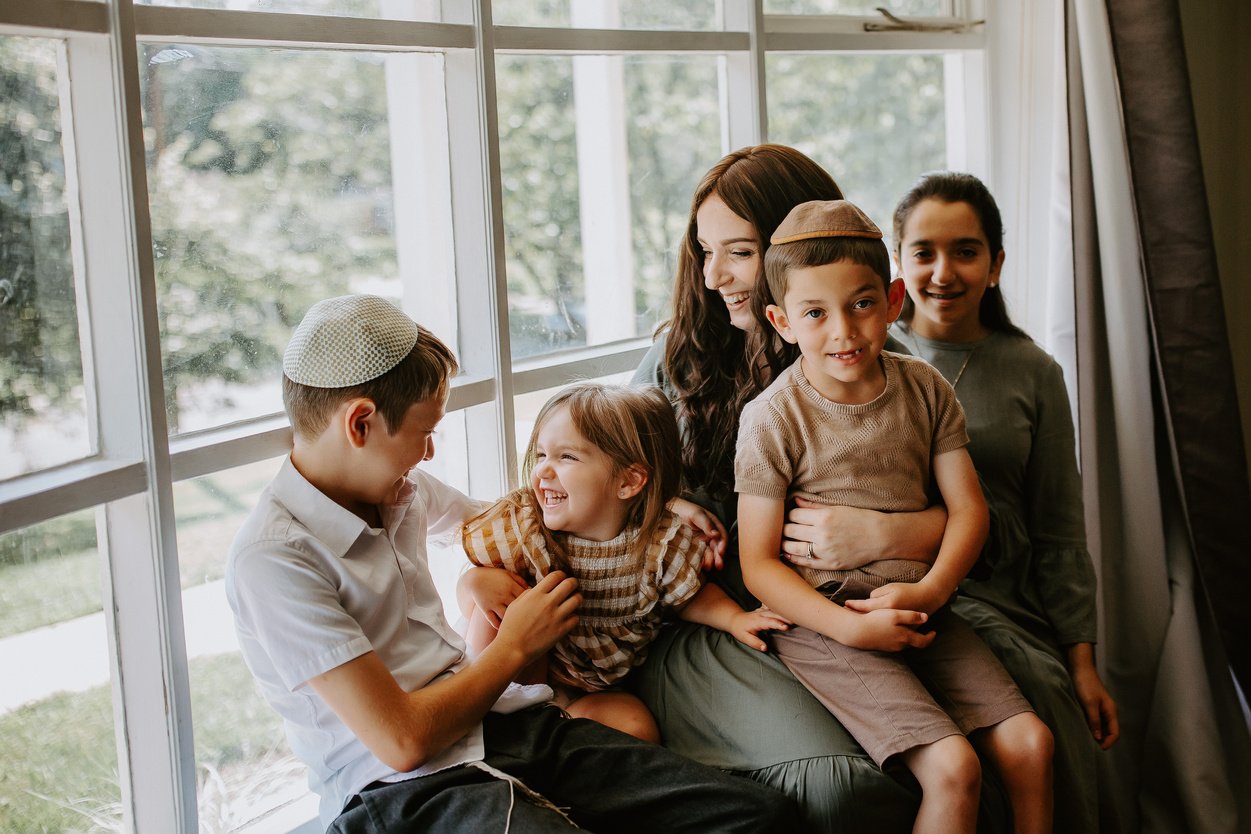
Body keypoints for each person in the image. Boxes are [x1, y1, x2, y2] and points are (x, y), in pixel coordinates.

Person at [225, 294, 802, 833]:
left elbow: (527, 522)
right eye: (425, 433)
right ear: (360, 423)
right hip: (400, 791)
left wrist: (654, 501)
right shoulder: (276, 560)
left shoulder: (401, 490)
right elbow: (400, 741)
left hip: (502, 727)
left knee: (757, 817)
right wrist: (513, 649)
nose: (429, 452)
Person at [630, 145, 1011, 833]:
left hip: (857, 594)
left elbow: (987, 518)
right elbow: (592, 474)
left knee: (1012, 727)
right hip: (728, 615)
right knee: (846, 782)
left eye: (737, 252)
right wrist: (661, 501)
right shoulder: (675, 358)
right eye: (703, 251)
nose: (714, 275)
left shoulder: (880, 363)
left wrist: (894, 531)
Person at [737, 199, 1054, 834]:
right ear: (781, 321)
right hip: (828, 625)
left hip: (922, 601)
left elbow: (970, 510)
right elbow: (759, 564)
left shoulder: (927, 390)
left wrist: (932, 590)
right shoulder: (773, 419)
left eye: (861, 304)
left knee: (1031, 745)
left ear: (893, 299)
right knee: (953, 768)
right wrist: (849, 630)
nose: (844, 332)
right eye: (815, 314)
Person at [880, 171, 1118, 833]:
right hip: (896, 589)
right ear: (898, 262)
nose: (942, 271)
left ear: (995, 264)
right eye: (922, 251)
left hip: (1002, 597)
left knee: (1047, 707)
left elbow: (1059, 532)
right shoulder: (868, 356)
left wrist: (1081, 663)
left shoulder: (1032, 371)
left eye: (964, 251)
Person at [459, 382, 788, 742]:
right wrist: (475, 584)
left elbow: (691, 596)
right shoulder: (524, 528)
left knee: (637, 728)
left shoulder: (657, 544)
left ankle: (550, 730)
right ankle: (484, 718)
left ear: (628, 482)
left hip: (591, 689)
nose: (543, 472)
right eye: (541, 456)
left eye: (566, 457)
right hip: (521, 669)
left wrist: (736, 619)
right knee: (502, 600)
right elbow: (472, 590)